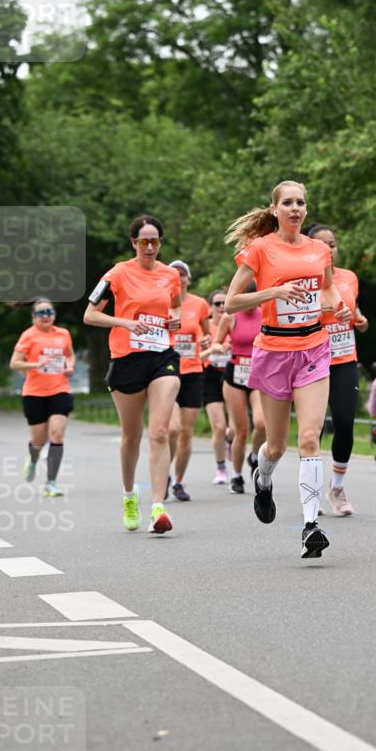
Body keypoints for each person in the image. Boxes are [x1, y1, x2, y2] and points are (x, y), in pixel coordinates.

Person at [224, 180, 351, 558]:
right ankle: (262, 479)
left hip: (313, 346)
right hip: (274, 350)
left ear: (306, 210)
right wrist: (273, 293)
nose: (295, 209)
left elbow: (327, 291)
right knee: (276, 446)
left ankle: (311, 525)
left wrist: (338, 305)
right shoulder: (260, 250)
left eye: (301, 203)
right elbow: (231, 302)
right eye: (288, 203)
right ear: (275, 209)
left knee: (310, 438)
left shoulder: (318, 251)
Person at [83, 214, 182, 534]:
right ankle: (129, 495)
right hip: (126, 359)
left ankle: (158, 507)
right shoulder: (118, 273)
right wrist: (125, 323)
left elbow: (176, 306)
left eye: (155, 241)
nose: (150, 247)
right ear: (133, 243)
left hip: (161, 357)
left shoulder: (170, 275)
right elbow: (90, 315)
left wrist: (174, 320)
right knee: (131, 436)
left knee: (160, 432)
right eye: (144, 241)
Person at [306, 224, 368, 515]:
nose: (329, 249)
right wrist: (328, 312)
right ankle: (312, 492)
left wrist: (359, 319)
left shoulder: (349, 277)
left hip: (344, 359)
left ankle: (337, 487)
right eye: (323, 245)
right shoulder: (303, 279)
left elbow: (353, 310)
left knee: (344, 422)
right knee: (313, 429)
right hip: (313, 359)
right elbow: (297, 318)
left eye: (333, 244)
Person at [9, 298, 75, 496]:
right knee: (38, 440)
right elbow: (14, 363)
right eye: (41, 313)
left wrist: (70, 366)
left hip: (60, 388)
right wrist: (36, 364)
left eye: (49, 311)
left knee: (56, 435)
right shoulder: (28, 336)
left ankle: (51, 482)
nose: (46, 316)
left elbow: (70, 354)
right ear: (33, 316)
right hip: (34, 392)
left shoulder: (63, 334)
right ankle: (33, 458)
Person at [210, 298, 266, 494]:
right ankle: (237, 475)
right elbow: (216, 343)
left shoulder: (266, 313)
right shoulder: (230, 316)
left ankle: (254, 457)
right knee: (241, 430)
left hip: (258, 374)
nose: (252, 304)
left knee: (261, 424)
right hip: (235, 376)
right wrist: (220, 347)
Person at [166, 260, 210, 501]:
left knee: (186, 432)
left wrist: (206, 341)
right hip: (167, 370)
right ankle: (163, 474)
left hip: (193, 371)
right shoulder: (160, 302)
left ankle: (178, 481)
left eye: (182, 274)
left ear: (188, 279)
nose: (178, 277)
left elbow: (207, 334)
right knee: (171, 429)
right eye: (173, 273)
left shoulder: (200, 304)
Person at [200, 288, 232, 485]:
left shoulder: (234, 323)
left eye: (224, 303)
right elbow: (196, 357)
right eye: (217, 303)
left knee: (236, 429)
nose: (221, 307)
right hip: (210, 377)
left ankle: (230, 441)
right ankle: (221, 468)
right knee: (219, 427)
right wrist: (213, 348)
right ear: (210, 308)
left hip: (233, 375)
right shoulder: (204, 329)